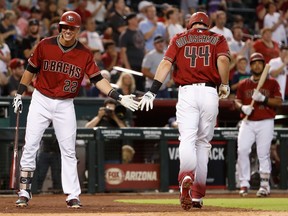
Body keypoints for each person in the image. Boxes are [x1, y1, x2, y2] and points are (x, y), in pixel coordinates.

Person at [12, 11, 139, 208]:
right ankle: (24, 191)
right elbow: (30, 70)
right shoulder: (45, 44)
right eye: (65, 26)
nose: (68, 30)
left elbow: (97, 79)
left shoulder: (85, 53)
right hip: (41, 99)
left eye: (72, 27)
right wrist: (20, 93)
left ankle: (72, 194)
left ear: (78, 30)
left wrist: (118, 96)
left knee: (69, 151)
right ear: (60, 27)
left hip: (64, 103)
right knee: (30, 146)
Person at [139, 12, 230, 210]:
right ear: (208, 24)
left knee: (187, 138)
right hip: (209, 92)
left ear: (190, 24)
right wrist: (225, 84)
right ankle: (197, 195)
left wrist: (152, 91)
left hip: (187, 92)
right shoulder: (218, 38)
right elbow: (223, 61)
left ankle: (185, 176)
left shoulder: (180, 38)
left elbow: (165, 64)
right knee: (203, 143)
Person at [234, 52, 282, 197]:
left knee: (263, 153)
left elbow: (278, 102)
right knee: (242, 150)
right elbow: (237, 100)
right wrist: (242, 107)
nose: (257, 65)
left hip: (266, 121)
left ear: (263, 65)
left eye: (259, 63)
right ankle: (243, 184)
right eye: (254, 63)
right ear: (251, 66)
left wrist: (264, 99)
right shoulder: (244, 84)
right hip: (248, 121)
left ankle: (264, 185)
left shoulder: (272, 82)